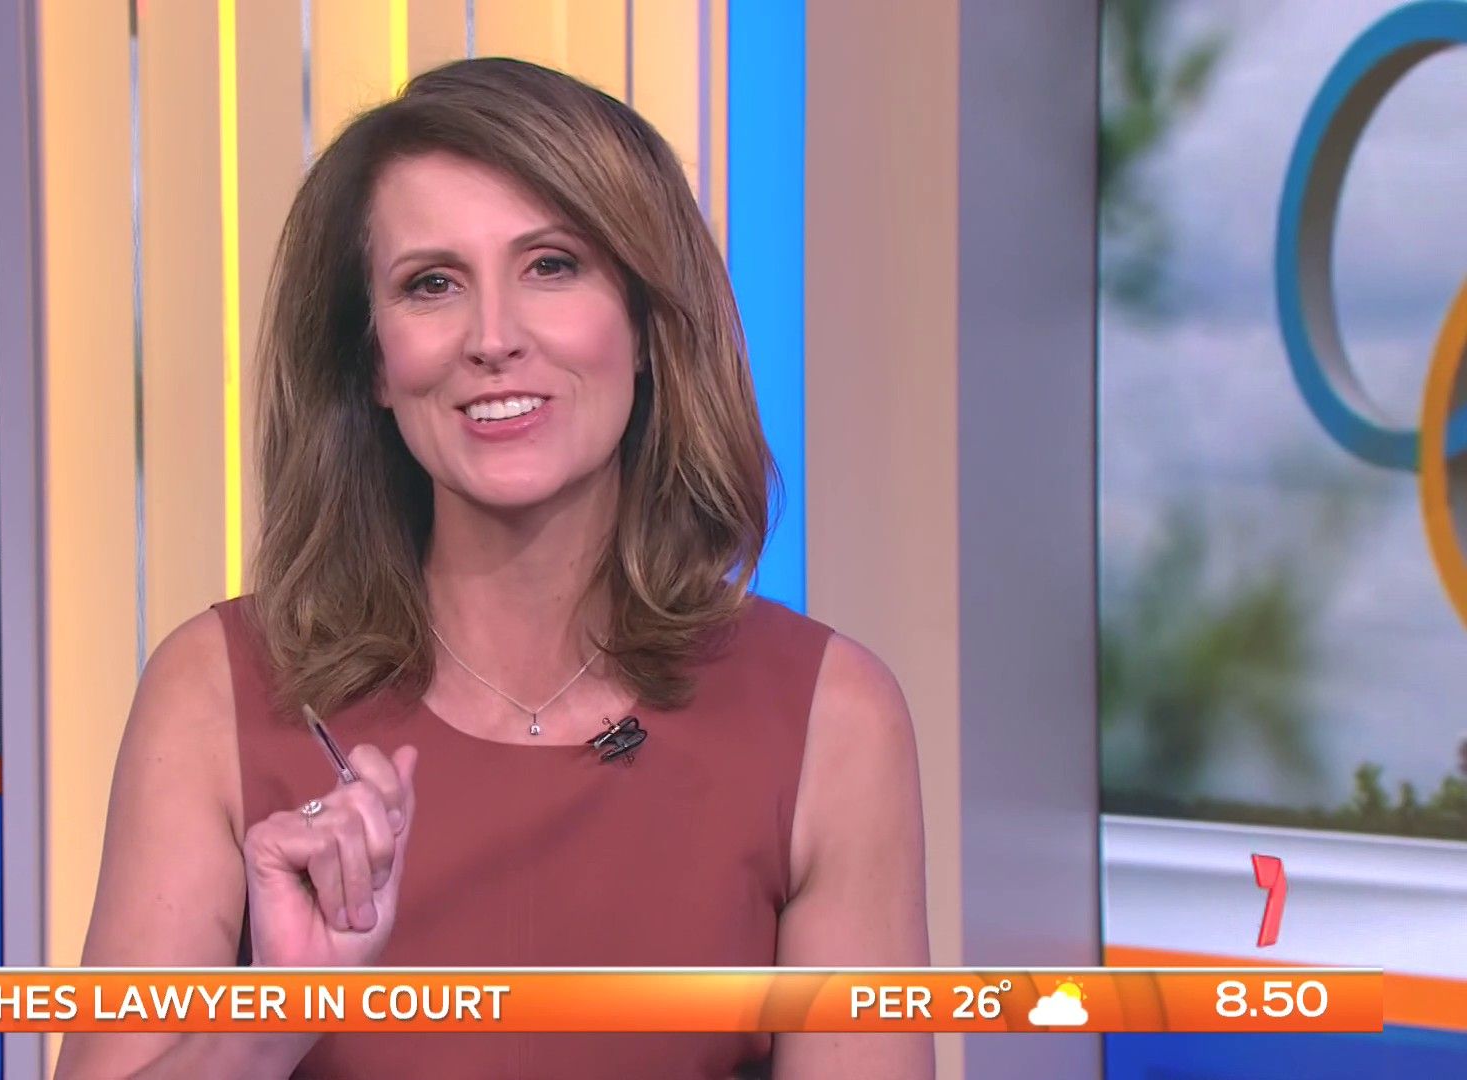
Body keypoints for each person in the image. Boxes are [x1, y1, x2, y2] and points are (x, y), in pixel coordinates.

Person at [57, 57, 931, 1080]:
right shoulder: (219, 691)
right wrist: (271, 1020)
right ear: (374, 363)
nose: (494, 339)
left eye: (551, 266)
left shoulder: (830, 718)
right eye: (431, 284)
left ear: (646, 326)